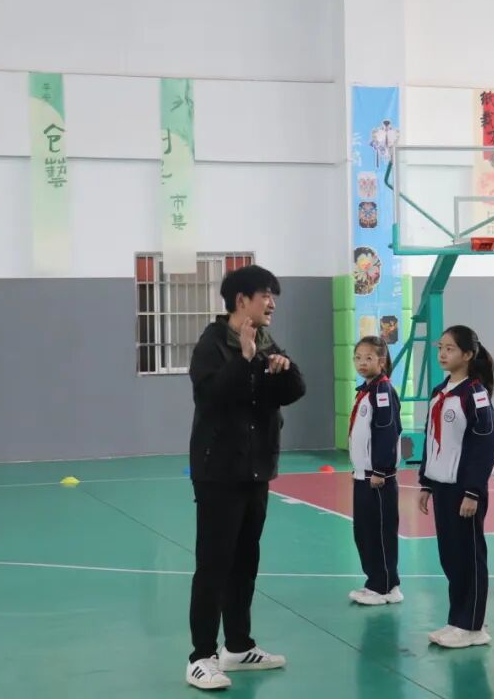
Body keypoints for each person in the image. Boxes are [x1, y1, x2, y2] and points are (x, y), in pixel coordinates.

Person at [185, 265, 307, 691]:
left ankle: (238, 646)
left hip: (256, 470)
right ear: (241, 301)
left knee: (245, 562)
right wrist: (246, 358)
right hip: (218, 472)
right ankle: (201, 657)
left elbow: (293, 391)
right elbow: (213, 397)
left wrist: (283, 368)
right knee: (214, 565)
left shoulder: (267, 341)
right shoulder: (212, 345)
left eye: (273, 296)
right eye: (265, 295)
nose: (272, 304)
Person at [418, 325, 494, 649]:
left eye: (449, 348)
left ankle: (473, 626)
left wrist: (473, 491)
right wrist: (426, 482)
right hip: (442, 486)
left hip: (463, 490)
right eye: (440, 347)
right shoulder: (441, 391)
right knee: (451, 557)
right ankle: (458, 620)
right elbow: (430, 438)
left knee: (469, 557)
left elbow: (485, 446)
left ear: (467, 355)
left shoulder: (474, 394)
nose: (442, 354)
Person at [348, 336, 403, 606]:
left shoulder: (383, 391)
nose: (362, 363)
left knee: (379, 532)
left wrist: (381, 469)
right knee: (364, 532)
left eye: (368, 358)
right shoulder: (366, 390)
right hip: (363, 476)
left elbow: (386, 431)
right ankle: (376, 582)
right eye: (358, 358)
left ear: (381, 361)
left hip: (377, 478)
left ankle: (386, 586)